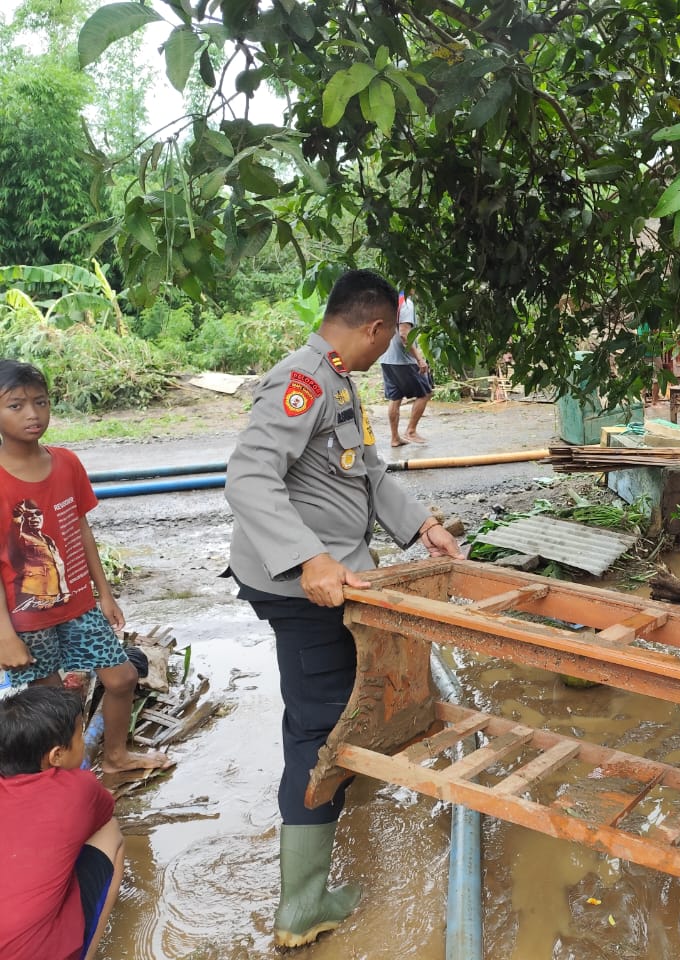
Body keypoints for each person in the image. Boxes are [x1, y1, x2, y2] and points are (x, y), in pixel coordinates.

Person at [224, 268, 464, 948]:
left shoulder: (336, 380)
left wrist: (423, 527)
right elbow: (247, 478)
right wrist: (309, 558)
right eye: (389, 336)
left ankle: (333, 804)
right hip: (302, 587)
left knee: (339, 703)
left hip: (336, 577)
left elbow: (366, 472)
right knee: (317, 729)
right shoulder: (300, 382)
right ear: (376, 328)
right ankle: (301, 906)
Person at [0, 361, 169, 774]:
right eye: (16, 405)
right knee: (53, 703)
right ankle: (62, 778)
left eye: (40, 402)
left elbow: (81, 530)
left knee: (122, 678)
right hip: (26, 620)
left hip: (78, 606)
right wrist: (4, 634)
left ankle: (115, 757)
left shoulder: (67, 463)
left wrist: (104, 593)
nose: (32, 414)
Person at [0, 685, 125, 960]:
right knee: (110, 831)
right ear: (56, 755)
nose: (82, 741)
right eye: (80, 736)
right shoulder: (79, 788)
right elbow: (99, 817)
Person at [379, 288, 434, 447]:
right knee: (425, 393)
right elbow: (404, 334)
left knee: (395, 398)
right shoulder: (406, 304)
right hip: (404, 360)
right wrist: (419, 359)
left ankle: (395, 438)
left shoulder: (388, 302)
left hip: (386, 358)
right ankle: (411, 431)